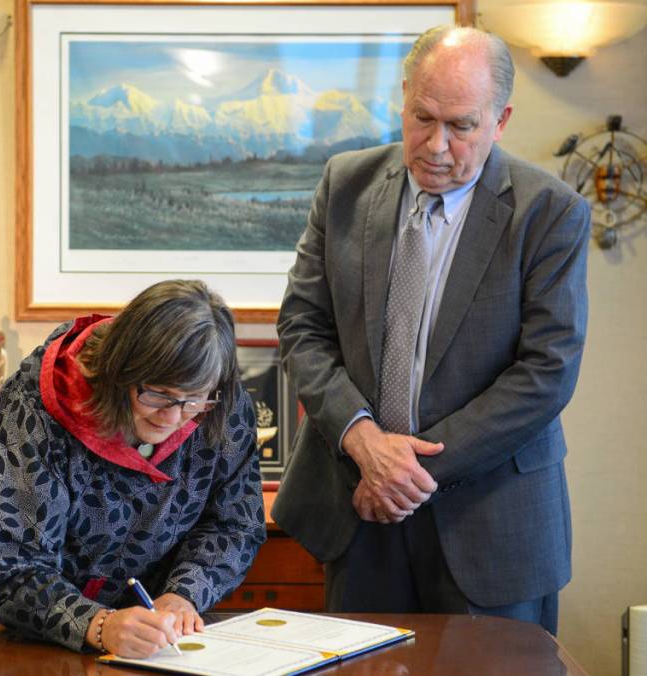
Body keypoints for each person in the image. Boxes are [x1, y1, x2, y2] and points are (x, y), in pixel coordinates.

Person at [273, 26, 589, 635]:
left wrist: (406, 473)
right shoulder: (345, 184)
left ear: (500, 121)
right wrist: (364, 441)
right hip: (359, 509)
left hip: (490, 520)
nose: (436, 146)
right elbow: (302, 325)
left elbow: (547, 373)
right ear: (403, 97)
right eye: (422, 118)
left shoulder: (549, 213)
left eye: (461, 126)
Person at [0, 279, 265, 657]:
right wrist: (98, 624)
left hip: (152, 637)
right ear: (122, 370)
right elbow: (14, 564)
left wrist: (183, 595)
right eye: (158, 394)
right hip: (24, 635)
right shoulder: (41, 398)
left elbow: (234, 525)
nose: (172, 417)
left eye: (192, 399)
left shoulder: (220, 404)